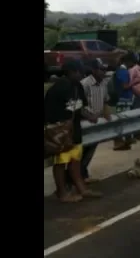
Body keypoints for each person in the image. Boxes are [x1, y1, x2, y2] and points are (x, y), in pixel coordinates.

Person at [44, 60, 102, 202]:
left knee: (75, 160)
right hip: (62, 132)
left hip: (74, 130)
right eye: (79, 72)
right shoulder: (58, 89)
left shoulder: (77, 87)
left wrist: (90, 116)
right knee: (61, 162)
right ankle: (62, 192)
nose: (81, 74)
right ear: (71, 72)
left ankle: (81, 188)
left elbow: (79, 108)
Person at [70, 58, 111, 184]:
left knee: (91, 148)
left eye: (105, 69)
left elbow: (105, 100)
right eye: (101, 69)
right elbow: (78, 104)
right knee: (82, 150)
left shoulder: (104, 82)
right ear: (93, 70)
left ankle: (83, 174)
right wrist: (88, 116)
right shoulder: (85, 84)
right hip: (85, 121)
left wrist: (106, 112)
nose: (103, 72)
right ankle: (77, 176)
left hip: (96, 121)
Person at [113, 53, 140, 150]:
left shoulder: (123, 70)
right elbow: (124, 86)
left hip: (125, 98)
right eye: (133, 63)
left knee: (125, 120)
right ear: (128, 62)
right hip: (123, 99)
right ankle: (118, 141)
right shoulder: (122, 71)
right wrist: (135, 81)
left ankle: (126, 139)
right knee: (122, 120)